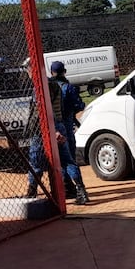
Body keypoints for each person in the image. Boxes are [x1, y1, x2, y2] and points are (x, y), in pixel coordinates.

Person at [23, 58, 90, 205]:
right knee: (67, 160)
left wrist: (38, 129)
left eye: (28, 69)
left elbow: (40, 113)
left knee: (36, 161)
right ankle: (81, 191)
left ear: (32, 70)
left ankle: (32, 191)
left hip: (43, 129)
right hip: (59, 125)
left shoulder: (41, 86)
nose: (27, 73)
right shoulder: (56, 85)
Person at [49, 61, 86, 196]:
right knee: (70, 159)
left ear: (52, 72)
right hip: (67, 126)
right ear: (64, 71)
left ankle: (66, 188)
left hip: (53, 127)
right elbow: (80, 105)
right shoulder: (68, 87)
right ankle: (79, 190)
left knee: (58, 159)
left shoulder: (49, 86)